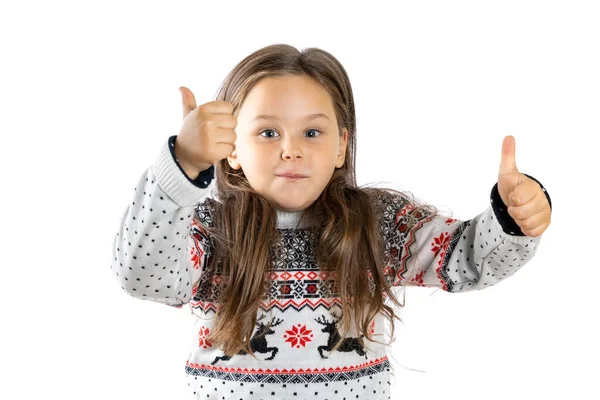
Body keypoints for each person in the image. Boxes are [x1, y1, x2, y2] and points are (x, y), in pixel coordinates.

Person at [111, 44, 552, 400]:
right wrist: (180, 168)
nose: (291, 150)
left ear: (341, 146)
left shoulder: (379, 223)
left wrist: (513, 218)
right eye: (267, 133)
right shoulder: (208, 228)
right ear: (231, 149)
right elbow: (143, 275)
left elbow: (466, 258)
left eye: (312, 132)